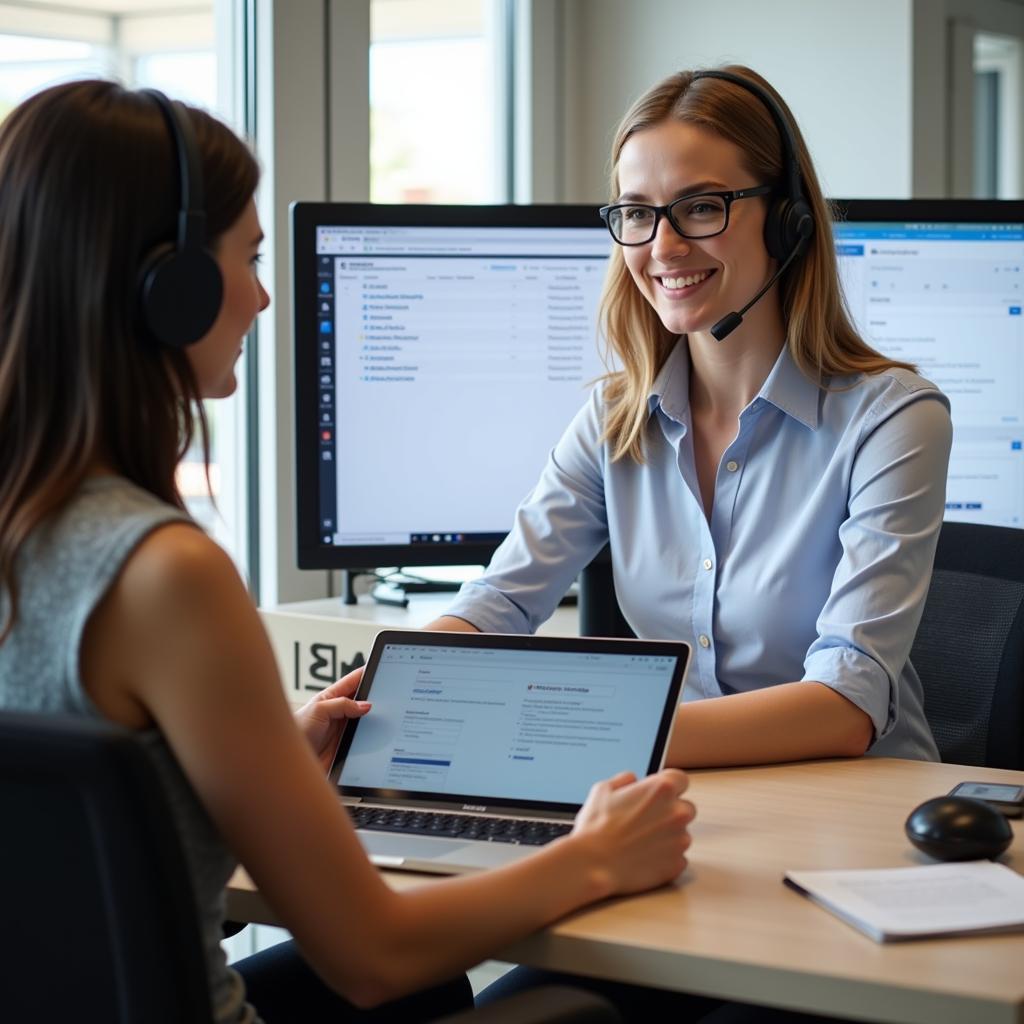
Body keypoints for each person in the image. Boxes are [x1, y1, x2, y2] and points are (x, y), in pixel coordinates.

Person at [0, 80, 695, 1024]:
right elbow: (374, 952)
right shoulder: (162, 573)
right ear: (169, 289)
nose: (262, 294)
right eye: (243, 259)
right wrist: (596, 853)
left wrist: (266, 750)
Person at [419, 65, 952, 772]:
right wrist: (390, 692)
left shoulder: (892, 421)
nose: (662, 247)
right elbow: (501, 602)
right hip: (694, 799)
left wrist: (586, 735)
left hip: (860, 818)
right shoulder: (616, 419)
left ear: (787, 220)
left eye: (701, 207)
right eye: (637, 212)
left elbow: (845, 704)